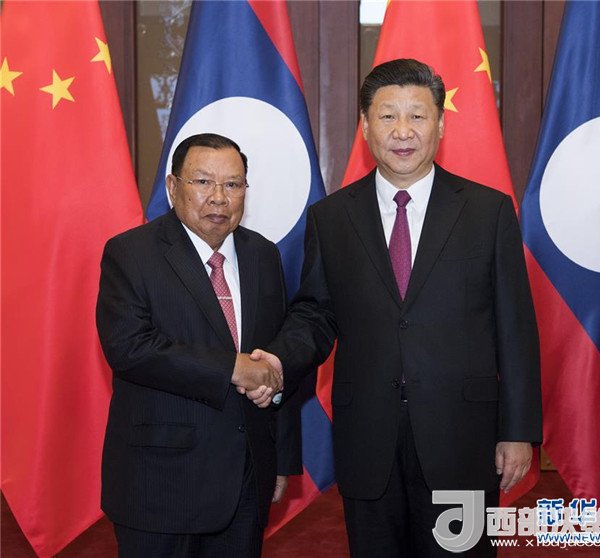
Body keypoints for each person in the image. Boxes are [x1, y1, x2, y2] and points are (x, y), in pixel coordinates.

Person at [249, 59, 542, 556]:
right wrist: (278, 359)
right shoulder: (332, 217)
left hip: (462, 440)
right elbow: (316, 314)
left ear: (440, 125)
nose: (402, 131)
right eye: (387, 116)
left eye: (417, 116)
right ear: (365, 126)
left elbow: (515, 328)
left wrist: (518, 432)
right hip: (369, 438)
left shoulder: (488, 212)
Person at [96, 133, 301, 557]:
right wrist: (231, 367)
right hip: (161, 481)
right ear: (173, 187)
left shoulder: (263, 255)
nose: (219, 198)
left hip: (246, 477)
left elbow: (274, 355)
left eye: (233, 184)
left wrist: (280, 457)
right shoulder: (131, 253)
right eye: (203, 182)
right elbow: (129, 348)